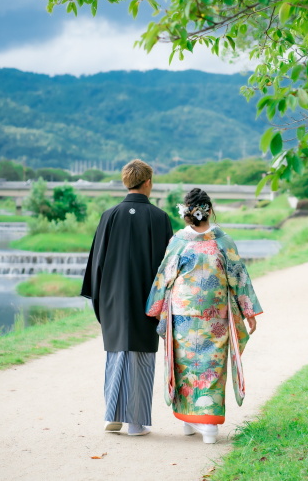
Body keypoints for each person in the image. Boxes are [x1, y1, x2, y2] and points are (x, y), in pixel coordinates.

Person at [146, 188, 262, 444]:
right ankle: (198, 423)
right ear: (209, 210)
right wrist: (248, 311)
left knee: (185, 365)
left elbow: (164, 276)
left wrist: (156, 308)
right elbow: (238, 277)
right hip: (215, 317)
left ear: (187, 213)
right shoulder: (223, 240)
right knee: (212, 366)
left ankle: (196, 421)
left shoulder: (178, 241)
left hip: (183, 316)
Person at [81, 159, 173, 436]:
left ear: (126, 182)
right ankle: (136, 423)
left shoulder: (109, 216)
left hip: (113, 297)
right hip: (147, 298)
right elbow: (168, 267)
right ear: (148, 182)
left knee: (117, 352)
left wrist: (99, 298)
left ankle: (112, 414)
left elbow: (96, 263)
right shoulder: (159, 218)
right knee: (142, 357)